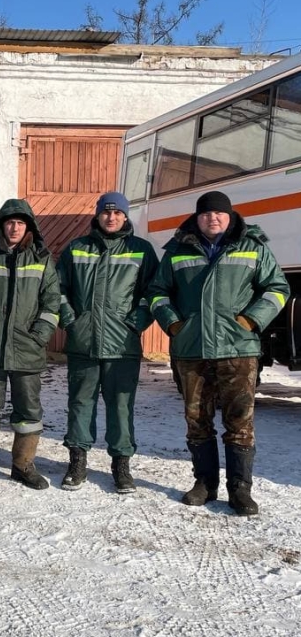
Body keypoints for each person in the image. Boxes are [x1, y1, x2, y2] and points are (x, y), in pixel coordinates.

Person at [148, 190, 289, 515]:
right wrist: (173, 325)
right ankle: (204, 484)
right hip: (190, 349)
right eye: (207, 213)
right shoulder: (177, 251)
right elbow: (157, 292)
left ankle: (240, 489)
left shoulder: (253, 247)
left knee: (240, 421)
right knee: (197, 419)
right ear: (197, 218)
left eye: (219, 213)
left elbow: (278, 288)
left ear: (230, 217)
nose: (213, 218)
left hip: (237, 349)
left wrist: (252, 319)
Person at [57, 192, 159, 493]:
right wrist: (71, 322)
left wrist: (136, 324)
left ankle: (121, 467)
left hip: (123, 346)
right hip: (83, 344)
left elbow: (152, 293)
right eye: (105, 212)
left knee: (121, 407)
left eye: (117, 213)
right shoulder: (76, 248)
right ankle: (77, 462)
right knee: (79, 404)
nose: (111, 217)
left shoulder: (141, 250)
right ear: (97, 215)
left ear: (125, 216)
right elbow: (58, 290)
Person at [0, 199, 60, 490]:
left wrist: (39, 335)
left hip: (27, 350)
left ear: (28, 226)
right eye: (10, 222)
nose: (15, 227)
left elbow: (52, 302)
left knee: (28, 413)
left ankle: (23, 465)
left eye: (21, 222)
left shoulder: (41, 258)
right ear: (1, 224)